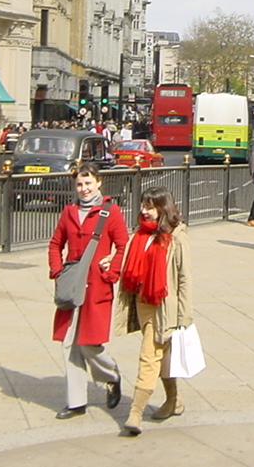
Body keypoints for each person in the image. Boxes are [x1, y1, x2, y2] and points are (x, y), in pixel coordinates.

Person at [48, 166, 128, 419]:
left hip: (97, 285)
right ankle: (76, 402)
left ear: (99, 182)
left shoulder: (110, 211)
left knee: (90, 342)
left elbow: (123, 245)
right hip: (72, 285)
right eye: (80, 184)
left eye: (88, 183)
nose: (84, 189)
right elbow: (55, 244)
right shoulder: (69, 211)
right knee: (70, 343)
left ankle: (111, 375)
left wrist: (111, 272)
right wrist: (57, 272)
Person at [114, 187, 192, 437]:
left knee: (149, 356)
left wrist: (183, 317)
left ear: (162, 209)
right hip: (141, 302)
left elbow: (184, 279)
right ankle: (174, 400)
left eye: (149, 207)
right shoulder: (140, 234)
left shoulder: (176, 237)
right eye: (142, 206)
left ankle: (135, 412)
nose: (143, 211)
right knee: (161, 357)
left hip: (163, 308)